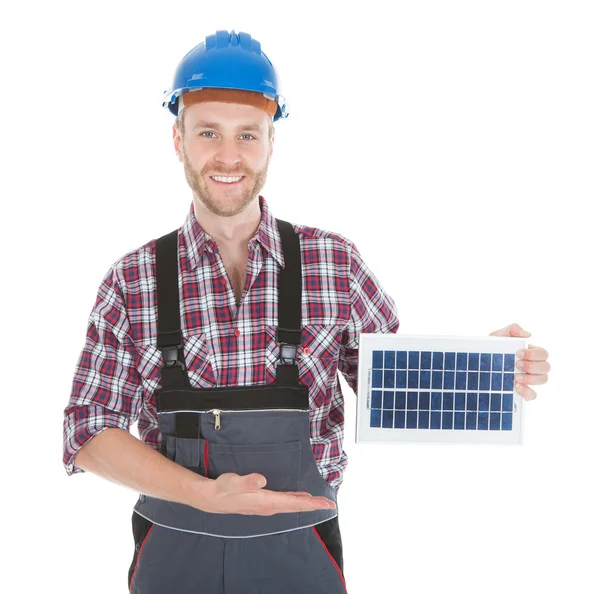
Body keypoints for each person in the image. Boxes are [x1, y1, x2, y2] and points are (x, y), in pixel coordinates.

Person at [62, 30, 551, 594]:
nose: (228, 155)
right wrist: (204, 495)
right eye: (208, 133)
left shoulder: (333, 262)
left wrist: (486, 370)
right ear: (178, 140)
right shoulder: (133, 278)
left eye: (248, 134)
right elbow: (86, 430)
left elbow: (391, 387)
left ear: (272, 141)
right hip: (175, 553)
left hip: (301, 555)